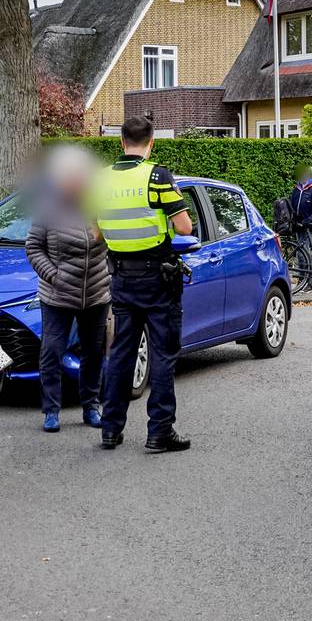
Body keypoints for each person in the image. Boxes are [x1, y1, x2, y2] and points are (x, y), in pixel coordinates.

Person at [92, 116, 195, 453]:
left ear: (121, 143)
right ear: (151, 143)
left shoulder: (100, 180)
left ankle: (110, 430)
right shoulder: (157, 177)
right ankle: (159, 432)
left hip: (120, 278)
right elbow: (184, 228)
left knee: (121, 353)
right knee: (163, 354)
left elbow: (94, 233)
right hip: (158, 279)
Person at [26, 145, 111, 433]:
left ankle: (91, 406)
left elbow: (116, 241)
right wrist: (53, 275)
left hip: (97, 293)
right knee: (52, 351)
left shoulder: (100, 206)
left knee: (93, 353)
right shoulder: (48, 208)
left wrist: (110, 273)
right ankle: (51, 410)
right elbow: (33, 247)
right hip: (57, 294)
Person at [290, 163, 312, 287]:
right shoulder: (297, 189)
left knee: (303, 251)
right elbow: (292, 205)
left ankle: (309, 282)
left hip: (308, 226)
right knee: (302, 252)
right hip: (298, 226)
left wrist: (309, 220)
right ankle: (304, 279)